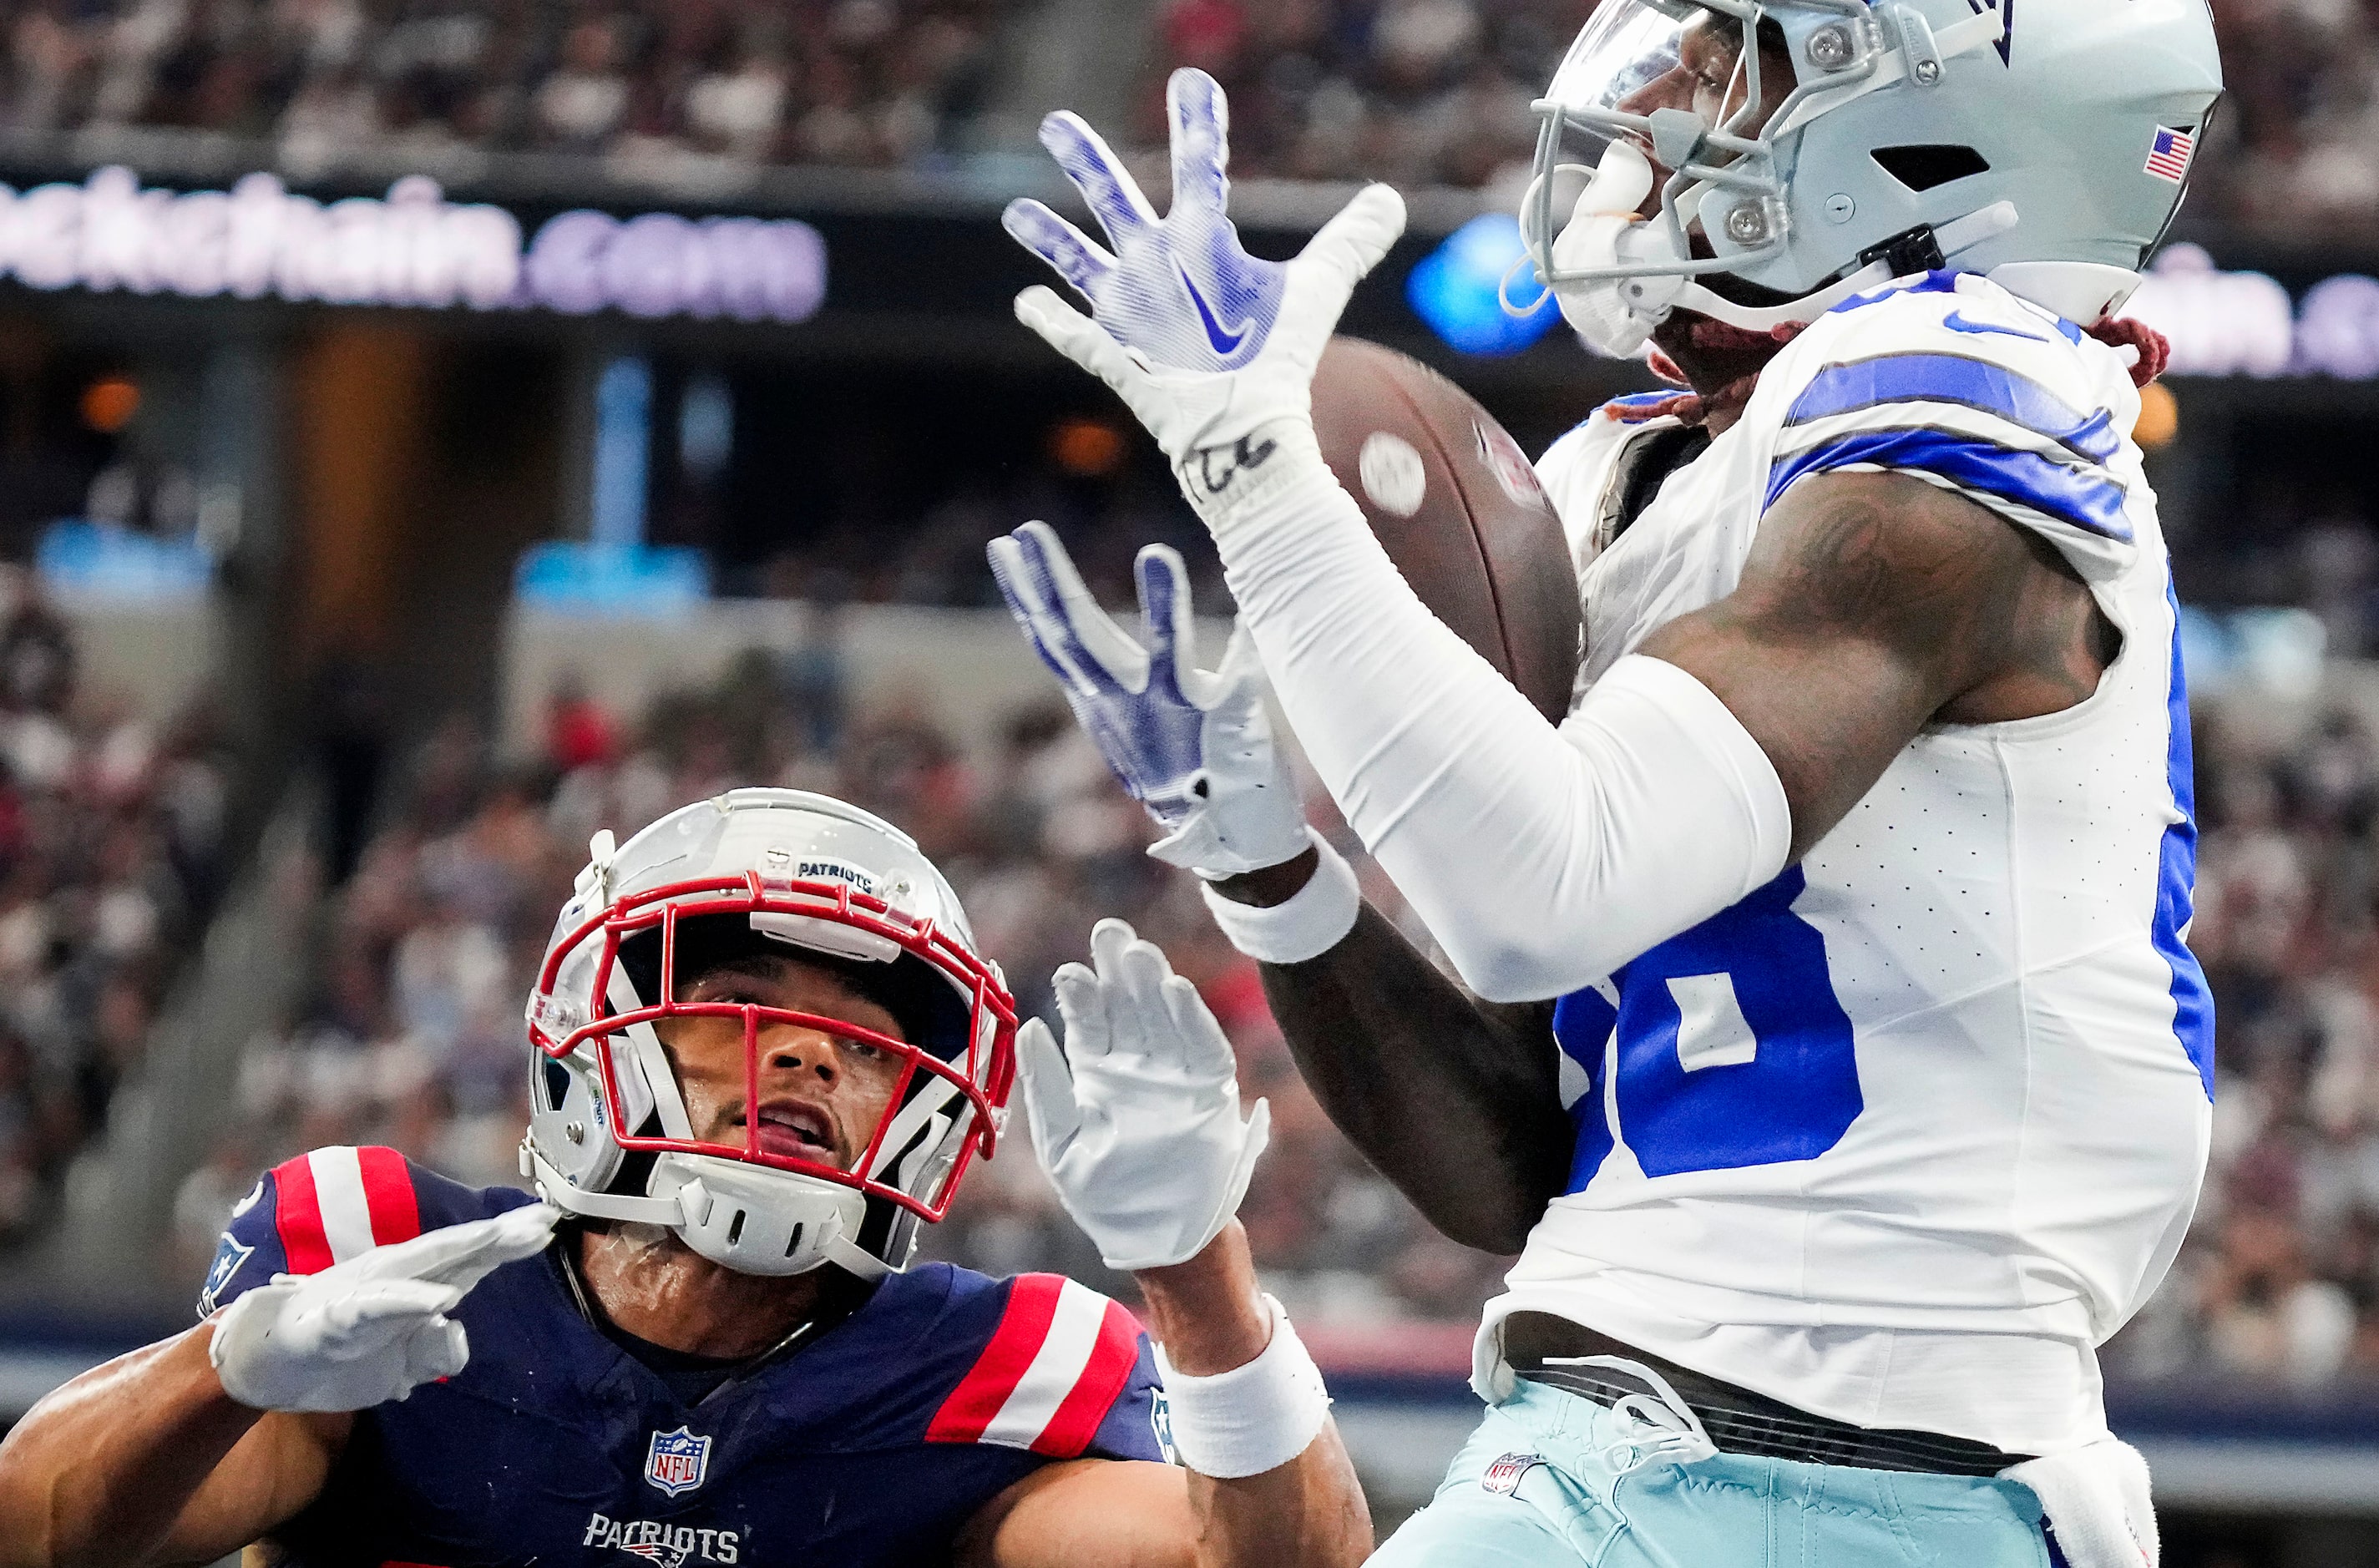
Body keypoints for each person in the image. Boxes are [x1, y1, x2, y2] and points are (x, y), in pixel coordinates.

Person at [993, 3, 2222, 1562]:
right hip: (1615, 1440)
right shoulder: (1631, 472)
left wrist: (1255, 471)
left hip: (1853, 1472)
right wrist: (1270, 869)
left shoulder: (1963, 400)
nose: (1675, 99)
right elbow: (1512, 1165)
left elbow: (1539, 897)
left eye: (1750, 62)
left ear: (1957, 131)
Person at [0, 788, 1369, 1568]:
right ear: (608, 1027)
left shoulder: (998, 1360)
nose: (810, 1062)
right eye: (738, 999)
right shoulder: (376, 1249)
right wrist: (230, 1367)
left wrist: (1196, 1268)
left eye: (868, 1043)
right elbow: (36, 1534)